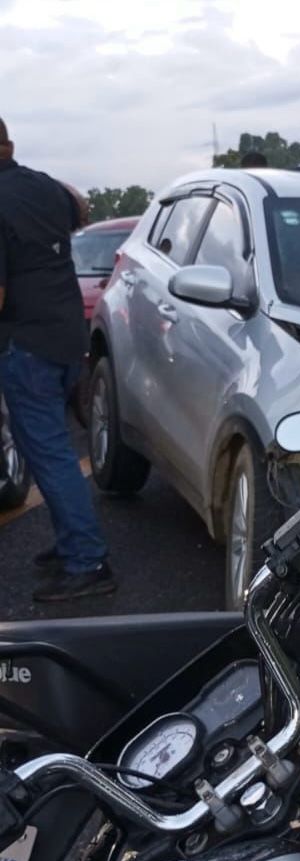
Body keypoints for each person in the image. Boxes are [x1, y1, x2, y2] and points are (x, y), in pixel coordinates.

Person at [0, 117, 116, 601]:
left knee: (51, 456)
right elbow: (82, 209)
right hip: (68, 337)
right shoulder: (47, 188)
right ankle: (74, 541)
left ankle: (87, 561)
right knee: (53, 452)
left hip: (26, 344)